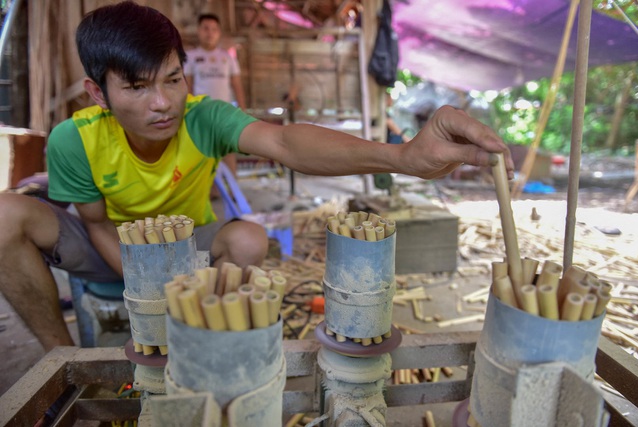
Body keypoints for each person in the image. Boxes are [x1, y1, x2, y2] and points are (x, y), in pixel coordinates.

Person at [0, 1, 513, 352]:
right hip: (112, 250)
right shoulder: (75, 138)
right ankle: (62, 362)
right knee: (5, 216)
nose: (162, 103)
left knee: (248, 238)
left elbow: (286, 142)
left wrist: (402, 156)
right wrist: (148, 288)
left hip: (189, 249)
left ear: (186, 71)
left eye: (173, 79)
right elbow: (96, 225)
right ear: (97, 93)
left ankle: (211, 349)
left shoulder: (203, 118)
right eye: (136, 87)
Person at [184, 13, 246, 177]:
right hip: (201, 113)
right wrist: (189, 113)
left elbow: (237, 86)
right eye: (205, 28)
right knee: (203, 154)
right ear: (198, 31)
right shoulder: (190, 57)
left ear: (219, 32)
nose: (209, 33)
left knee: (227, 152)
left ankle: (234, 192)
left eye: (214, 29)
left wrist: (243, 111)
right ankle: (209, 193)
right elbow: (187, 87)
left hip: (224, 113)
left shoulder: (227, 58)